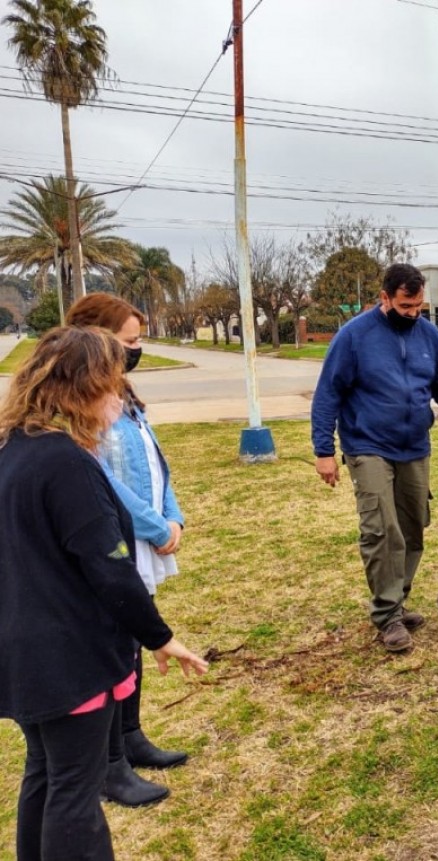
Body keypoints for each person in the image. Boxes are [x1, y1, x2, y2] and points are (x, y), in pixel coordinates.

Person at [0, 326, 208, 861]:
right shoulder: (67, 463)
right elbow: (110, 569)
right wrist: (159, 637)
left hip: (21, 651)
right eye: (110, 385)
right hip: (67, 657)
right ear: (81, 389)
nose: (119, 397)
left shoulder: (11, 449)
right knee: (75, 788)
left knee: (46, 774)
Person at [311, 263, 438, 652]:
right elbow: (327, 394)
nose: (413, 313)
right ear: (384, 298)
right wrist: (324, 451)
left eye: (419, 305)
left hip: (415, 445)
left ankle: (396, 598)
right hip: (368, 445)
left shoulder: (430, 336)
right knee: (381, 529)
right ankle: (387, 616)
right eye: (405, 305)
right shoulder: (354, 337)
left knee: (412, 526)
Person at [66, 293, 187, 807]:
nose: (136, 352)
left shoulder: (123, 392)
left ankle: (131, 734)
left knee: (132, 637)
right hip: (117, 536)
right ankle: (109, 761)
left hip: (147, 530)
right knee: (113, 640)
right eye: (129, 342)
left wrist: (172, 513)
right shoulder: (79, 405)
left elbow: (151, 457)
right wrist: (154, 524)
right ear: (93, 341)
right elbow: (105, 480)